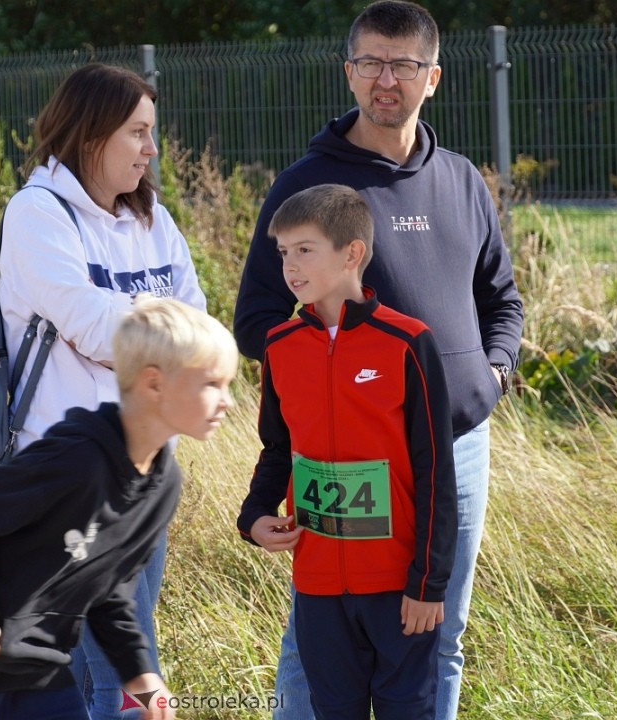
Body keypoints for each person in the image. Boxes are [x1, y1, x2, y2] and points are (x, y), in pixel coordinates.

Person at [232, 3, 524, 719]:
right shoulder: (312, 184)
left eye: (402, 64)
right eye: (370, 62)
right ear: (348, 72)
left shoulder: (460, 180)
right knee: (320, 637)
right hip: (348, 462)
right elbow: (258, 322)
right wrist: (339, 389)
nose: (384, 79)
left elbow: (504, 301)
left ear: (434, 78)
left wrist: (491, 375)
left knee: (439, 626)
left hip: (457, 446)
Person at [0, 296, 239, 720]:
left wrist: (140, 674)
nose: (227, 401)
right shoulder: (74, 460)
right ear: (154, 384)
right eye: (212, 384)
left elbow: (111, 590)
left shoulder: (161, 486)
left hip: (42, 670)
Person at [0, 63, 207, 719]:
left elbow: (198, 323)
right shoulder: (37, 213)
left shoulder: (152, 220)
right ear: (91, 136)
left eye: (152, 133)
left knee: (103, 677)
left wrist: (150, 326)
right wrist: (160, 321)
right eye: (138, 133)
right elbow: (92, 329)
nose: (152, 149)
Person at [237, 184, 457, 719]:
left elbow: (436, 471)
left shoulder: (407, 343)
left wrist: (428, 583)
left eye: (305, 250)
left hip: (398, 588)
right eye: (283, 252)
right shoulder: (281, 347)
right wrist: (254, 517)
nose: (290, 266)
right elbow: (277, 448)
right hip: (317, 590)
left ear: (352, 253)